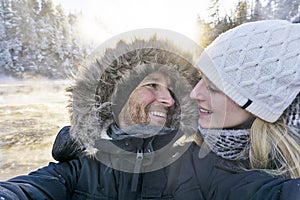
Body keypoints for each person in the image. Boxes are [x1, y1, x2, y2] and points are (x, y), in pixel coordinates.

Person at [0, 32, 204, 199]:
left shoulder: (197, 163)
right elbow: (25, 190)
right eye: (152, 85)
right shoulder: (80, 168)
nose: (169, 100)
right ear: (119, 96)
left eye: (172, 90)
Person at [188, 20, 300, 199]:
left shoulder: (287, 182)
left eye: (213, 87)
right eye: (200, 79)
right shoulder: (186, 149)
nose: (194, 93)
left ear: (262, 102)